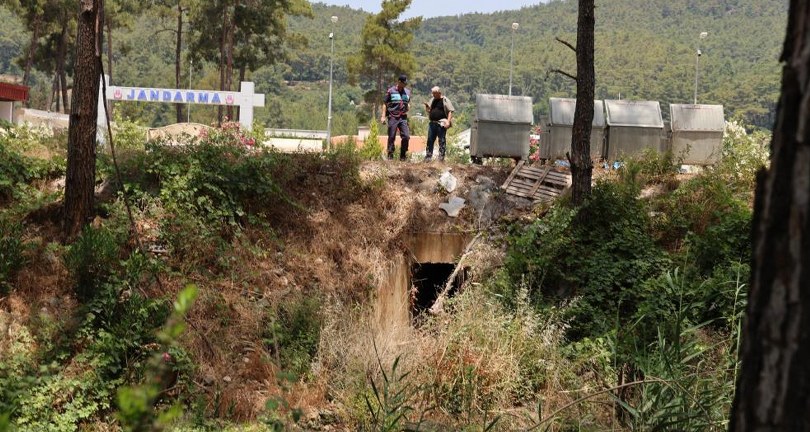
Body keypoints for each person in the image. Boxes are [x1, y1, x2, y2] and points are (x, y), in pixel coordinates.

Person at [381, 74, 411, 160]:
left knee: (406, 136)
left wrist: (408, 107)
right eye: (403, 83)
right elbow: (384, 103)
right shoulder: (391, 91)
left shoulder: (408, 92)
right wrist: (383, 116)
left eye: (406, 83)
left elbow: (408, 103)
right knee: (391, 136)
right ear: (399, 82)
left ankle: (403, 155)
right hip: (393, 116)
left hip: (403, 117)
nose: (405, 85)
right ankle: (390, 155)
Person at [422, 86, 455, 161]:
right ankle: (428, 157)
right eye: (432, 93)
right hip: (432, 123)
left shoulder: (445, 99)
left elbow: (450, 111)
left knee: (441, 140)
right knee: (430, 140)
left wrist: (448, 122)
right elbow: (429, 110)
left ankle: (441, 158)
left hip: (441, 123)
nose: (433, 95)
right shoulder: (432, 100)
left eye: (435, 93)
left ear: (439, 93)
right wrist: (427, 106)